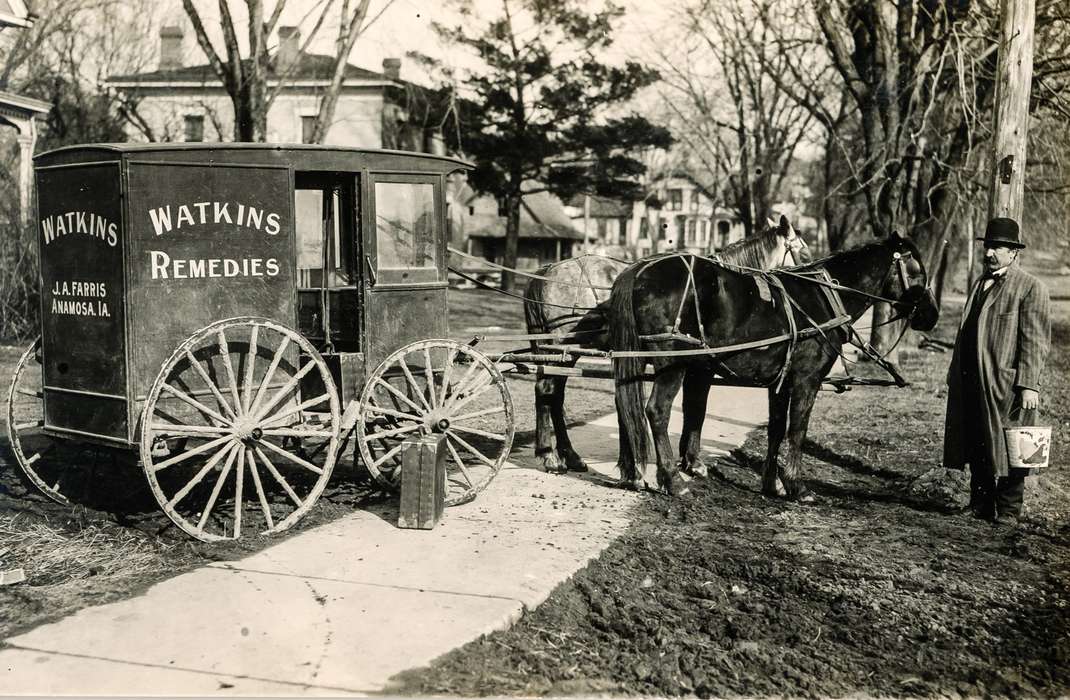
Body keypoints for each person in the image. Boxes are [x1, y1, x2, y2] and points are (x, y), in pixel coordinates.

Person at [944, 217, 1051, 524]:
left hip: (1007, 384)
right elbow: (966, 333)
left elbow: (1035, 341)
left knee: (1014, 443)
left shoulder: (1031, 288)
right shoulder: (979, 283)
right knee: (978, 440)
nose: (990, 253)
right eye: (988, 246)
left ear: (1013, 253)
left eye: (998, 248)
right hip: (974, 380)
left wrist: (1029, 384)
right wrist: (955, 373)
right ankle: (980, 504)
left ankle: (1008, 511)